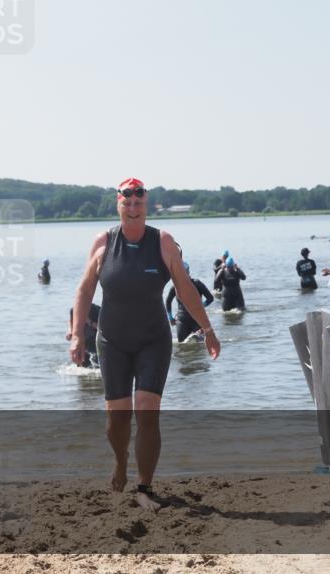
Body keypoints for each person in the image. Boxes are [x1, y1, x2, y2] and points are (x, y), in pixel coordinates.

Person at [69, 178, 220, 511]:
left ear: (146, 205)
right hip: (113, 341)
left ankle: (144, 487)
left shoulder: (162, 242)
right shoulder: (103, 242)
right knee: (117, 418)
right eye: (127, 202)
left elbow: (185, 289)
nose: (133, 207)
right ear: (118, 204)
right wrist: (78, 333)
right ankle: (121, 460)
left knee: (148, 413)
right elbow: (84, 290)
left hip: (153, 340)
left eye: (139, 202)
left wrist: (208, 329)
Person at [166, 262, 215, 341]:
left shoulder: (197, 283)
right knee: (182, 343)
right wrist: (170, 317)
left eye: (184, 272)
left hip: (197, 319)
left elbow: (210, 298)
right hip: (182, 320)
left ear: (188, 272)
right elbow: (168, 301)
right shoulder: (175, 286)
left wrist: (201, 306)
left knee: (200, 343)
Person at [66, 302, 101, 367]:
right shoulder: (73, 310)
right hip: (83, 345)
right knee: (82, 368)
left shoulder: (97, 310)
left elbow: (103, 329)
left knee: (97, 367)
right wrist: (70, 334)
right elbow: (70, 331)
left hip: (95, 344)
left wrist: (89, 322)